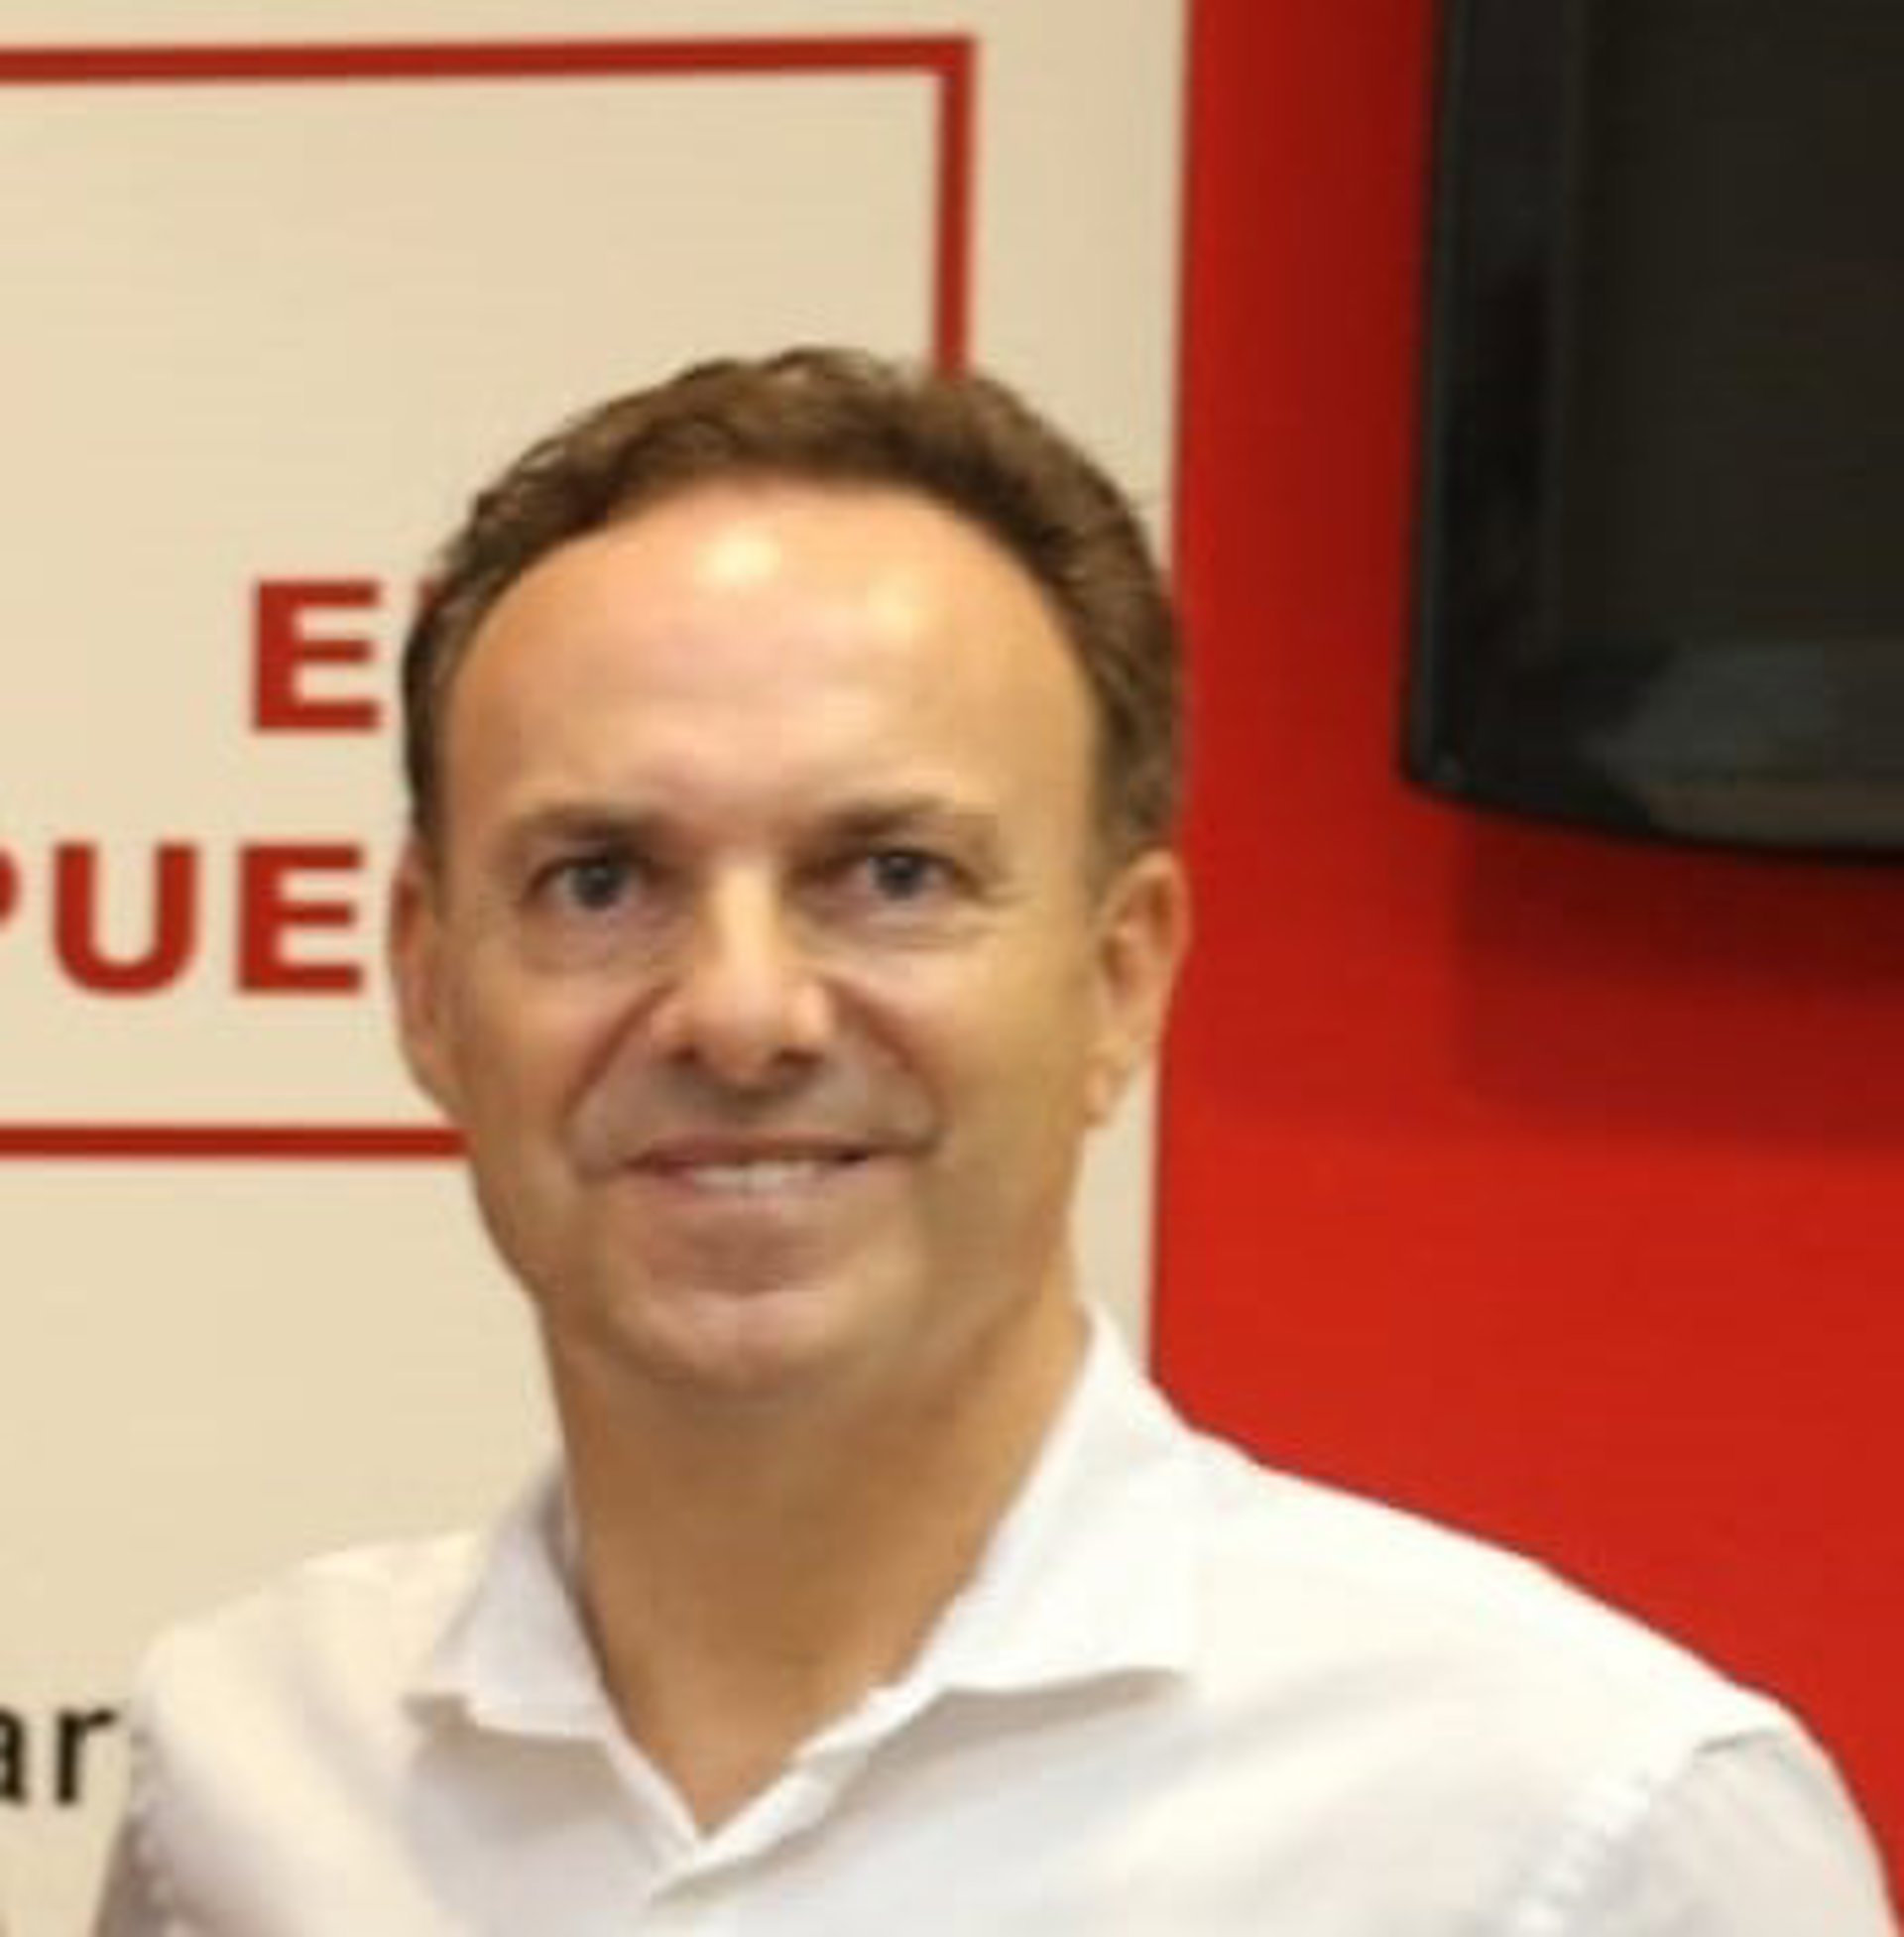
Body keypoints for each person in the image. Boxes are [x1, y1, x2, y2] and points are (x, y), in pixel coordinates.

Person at [96, 349, 1896, 1933]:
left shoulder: (1581, 1837)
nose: (742, 1011)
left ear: (1121, 978)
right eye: (600, 880)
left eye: (892, 874)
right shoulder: (255, 1771)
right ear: (428, 988)